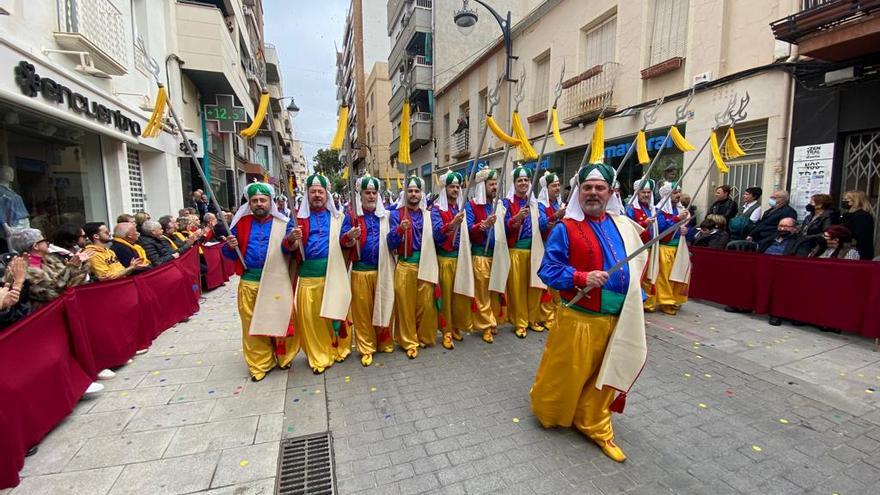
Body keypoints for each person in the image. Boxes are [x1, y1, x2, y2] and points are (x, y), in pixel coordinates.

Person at [531, 163, 648, 463]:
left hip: (618, 318)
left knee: (605, 375)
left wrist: (637, 296)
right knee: (566, 375)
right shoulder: (565, 228)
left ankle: (594, 423)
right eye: (588, 187)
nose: (594, 193)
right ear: (578, 192)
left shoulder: (621, 225)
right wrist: (581, 278)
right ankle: (553, 411)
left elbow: (635, 266)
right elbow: (548, 270)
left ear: (610, 193)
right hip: (579, 318)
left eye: (600, 188)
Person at [223, 182, 299, 381]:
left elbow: (288, 249)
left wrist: (290, 240)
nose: (259, 204)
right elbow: (228, 254)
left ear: (270, 202)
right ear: (249, 203)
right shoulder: (240, 224)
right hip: (250, 282)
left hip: (275, 281)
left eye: (263, 200)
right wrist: (230, 246)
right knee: (253, 326)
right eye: (255, 200)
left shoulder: (283, 223)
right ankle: (260, 364)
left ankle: (284, 357)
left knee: (280, 319)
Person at [287, 174, 352, 374]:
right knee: (312, 321)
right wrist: (292, 238)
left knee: (334, 315)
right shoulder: (297, 219)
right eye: (313, 192)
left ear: (327, 195)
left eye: (320, 192)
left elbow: (344, 242)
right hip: (308, 278)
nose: (317, 195)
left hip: (333, 276)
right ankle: (319, 356)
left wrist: (349, 237)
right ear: (307, 194)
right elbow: (287, 246)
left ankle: (339, 348)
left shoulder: (337, 218)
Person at [340, 174, 395, 366]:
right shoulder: (352, 217)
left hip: (382, 270)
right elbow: (343, 241)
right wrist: (349, 235)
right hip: (360, 272)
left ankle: (384, 341)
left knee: (383, 306)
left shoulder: (385, 216)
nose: (371, 196)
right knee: (363, 314)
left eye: (373, 193)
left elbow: (393, 240)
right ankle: (366, 347)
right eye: (367, 193)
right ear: (360, 195)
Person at [387, 175, 440, 358]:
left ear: (421, 193)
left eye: (417, 191)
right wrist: (400, 229)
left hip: (425, 264)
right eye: (410, 191)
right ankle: (408, 341)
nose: (413, 194)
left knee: (426, 305)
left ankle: (424, 336)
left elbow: (438, 238)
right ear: (405, 193)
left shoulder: (428, 215)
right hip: (405, 265)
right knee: (405, 307)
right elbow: (390, 243)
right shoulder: (396, 214)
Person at [503, 166, 548, 338]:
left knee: (535, 286)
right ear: (514, 183)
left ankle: (533, 318)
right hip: (516, 251)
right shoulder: (507, 203)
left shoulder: (535, 203)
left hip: (534, 250)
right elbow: (504, 227)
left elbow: (542, 225)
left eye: (526, 180)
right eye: (519, 180)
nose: (523, 183)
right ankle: (520, 321)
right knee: (518, 289)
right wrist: (516, 219)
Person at [431, 171, 473, 350]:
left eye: (457, 187)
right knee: (446, 298)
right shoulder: (436, 209)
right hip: (445, 260)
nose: (455, 189)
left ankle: (456, 326)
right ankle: (446, 331)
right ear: (445, 189)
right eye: (452, 187)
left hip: (461, 259)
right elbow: (436, 234)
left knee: (459, 296)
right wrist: (451, 225)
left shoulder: (462, 208)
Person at [5, 228, 90, 310]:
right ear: (35, 246)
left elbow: (71, 285)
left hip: (65, 307)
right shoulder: (19, 269)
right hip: (45, 316)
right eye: (45, 241)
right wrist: (71, 268)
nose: (48, 243)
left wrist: (82, 264)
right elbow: (52, 294)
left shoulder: (50, 260)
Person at [465, 167, 501, 343]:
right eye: (491, 184)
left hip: (497, 255)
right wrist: (484, 225)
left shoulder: (497, 205)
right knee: (482, 294)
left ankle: (493, 321)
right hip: (480, 255)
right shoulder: (471, 206)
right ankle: (485, 326)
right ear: (482, 186)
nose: (495, 187)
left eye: (496, 184)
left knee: (494, 292)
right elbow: (469, 230)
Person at [645, 183, 690, 315]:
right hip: (665, 248)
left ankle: (674, 298)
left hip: (679, 247)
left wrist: (686, 230)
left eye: (679, 192)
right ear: (666, 194)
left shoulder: (680, 209)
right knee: (663, 277)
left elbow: (687, 227)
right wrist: (676, 219)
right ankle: (665, 302)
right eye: (675, 193)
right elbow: (662, 228)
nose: (678, 195)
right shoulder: (659, 210)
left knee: (675, 276)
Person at [537, 172, 564, 330]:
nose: (557, 188)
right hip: (545, 247)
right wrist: (556, 216)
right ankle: (547, 316)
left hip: (559, 248)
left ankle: (558, 314)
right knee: (547, 285)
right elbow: (542, 225)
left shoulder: (559, 203)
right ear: (546, 188)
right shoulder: (541, 205)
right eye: (554, 185)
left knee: (558, 284)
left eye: (558, 184)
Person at [841, 190, 875, 260]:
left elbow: (861, 236)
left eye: (846, 199)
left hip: (856, 251)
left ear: (855, 201)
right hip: (844, 249)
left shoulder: (863, 216)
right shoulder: (846, 215)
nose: (843, 201)